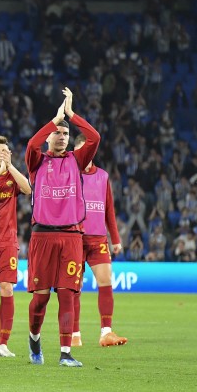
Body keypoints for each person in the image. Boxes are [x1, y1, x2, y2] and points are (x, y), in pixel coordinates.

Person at [25, 87, 99, 368]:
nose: (62, 137)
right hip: (42, 236)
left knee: (67, 295)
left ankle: (66, 352)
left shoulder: (76, 160)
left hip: (71, 236)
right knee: (41, 300)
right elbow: (32, 144)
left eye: (66, 134)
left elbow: (94, 137)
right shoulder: (37, 162)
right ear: (49, 137)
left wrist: (70, 115)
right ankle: (34, 338)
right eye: (58, 133)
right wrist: (54, 119)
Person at [71, 134, 128, 348]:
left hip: (97, 239)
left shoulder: (103, 176)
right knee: (74, 288)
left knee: (105, 282)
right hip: (74, 238)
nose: (84, 154)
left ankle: (106, 332)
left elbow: (109, 209)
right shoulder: (69, 173)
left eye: (88, 150)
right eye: (79, 151)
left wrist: (115, 239)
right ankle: (74, 334)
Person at [0, 136, 32, 358]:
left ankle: (3, 344)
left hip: (8, 241)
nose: (1, 153)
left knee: (7, 288)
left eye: (5, 150)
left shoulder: (12, 176)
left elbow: (28, 189)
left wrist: (9, 167)